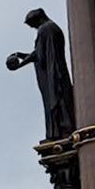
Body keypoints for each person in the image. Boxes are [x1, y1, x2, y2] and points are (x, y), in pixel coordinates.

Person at [6, 8, 76, 142]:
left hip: (53, 74)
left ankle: (60, 130)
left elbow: (40, 56)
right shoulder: (50, 28)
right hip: (54, 72)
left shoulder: (45, 29)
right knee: (56, 100)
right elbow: (39, 53)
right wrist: (21, 55)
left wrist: (20, 64)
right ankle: (59, 130)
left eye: (31, 24)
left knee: (56, 100)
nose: (32, 28)